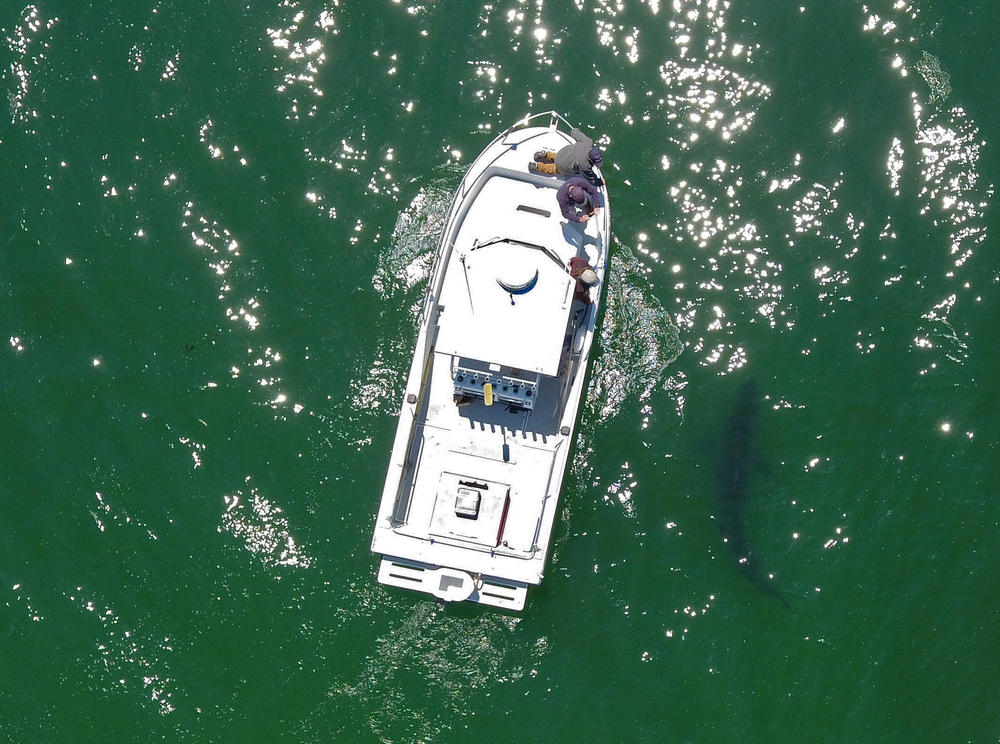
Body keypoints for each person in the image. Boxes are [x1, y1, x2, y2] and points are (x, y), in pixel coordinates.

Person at [530, 128, 605, 185]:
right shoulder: (585, 165)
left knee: (556, 156)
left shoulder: (588, 142)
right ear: (590, 159)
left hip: (563, 152)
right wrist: (599, 182)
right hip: (562, 166)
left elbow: (574, 132)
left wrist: (576, 129)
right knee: (552, 169)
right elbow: (591, 178)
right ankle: (537, 166)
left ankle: (545, 154)